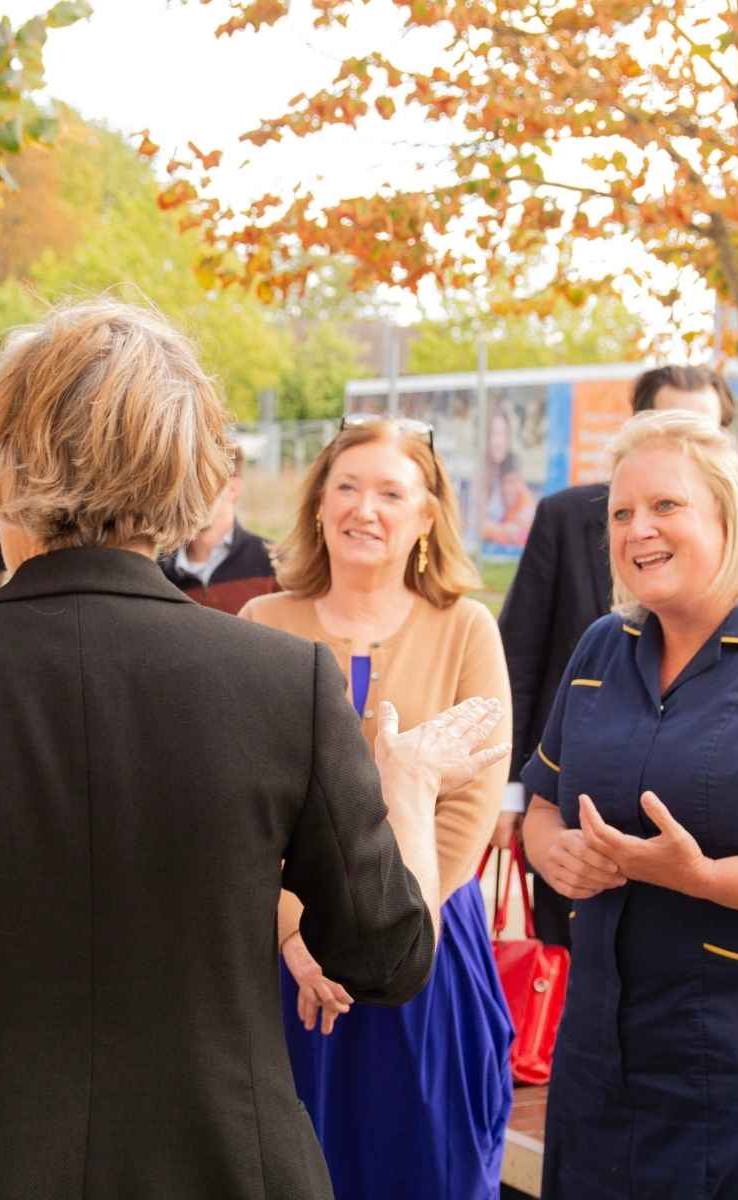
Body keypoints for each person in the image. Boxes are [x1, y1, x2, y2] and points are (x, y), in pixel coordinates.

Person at [0, 299, 508, 1199]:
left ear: (1, 464)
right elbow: (386, 958)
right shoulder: (285, 683)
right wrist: (411, 787)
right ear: (187, 474)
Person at [518, 408, 738, 1198]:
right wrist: (552, 851)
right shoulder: (603, 647)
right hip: (599, 1073)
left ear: (728, 514)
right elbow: (541, 804)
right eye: (622, 514)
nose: (640, 530)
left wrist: (701, 877)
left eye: (666, 506)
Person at [242, 414, 514, 1200]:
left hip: (430, 943)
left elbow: (467, 809)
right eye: (348, 488)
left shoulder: (467, 628)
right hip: (286, 951)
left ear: (426, 515)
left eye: (392, 493)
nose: (367, 509)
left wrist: (394, 939)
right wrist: (297, 934)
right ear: (319, 505)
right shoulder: (263, 625)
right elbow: (243, 810)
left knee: (428, 1167)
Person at [497, 364, 733, 946]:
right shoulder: (565, 517)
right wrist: (510, 795)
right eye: (667, 423)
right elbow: (518, 657)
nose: (640, 530)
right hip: (572, 813)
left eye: (703, 430)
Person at [157, 442, 277, 613]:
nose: (191, 491)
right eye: (184, 478)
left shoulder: (273, 563)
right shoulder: (157, 573)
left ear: (233, 488)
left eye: (203, 479)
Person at [479, 402, 536, 547]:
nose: (497, 441)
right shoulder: (480, 473)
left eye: (502, 434)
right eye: (493, 434)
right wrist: (500, 530)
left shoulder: (512, 468)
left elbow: (529, 511)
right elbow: (475, 525)